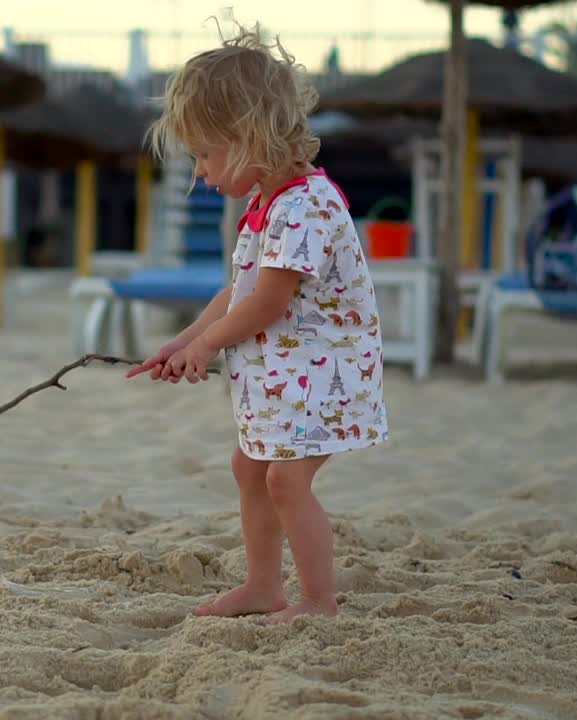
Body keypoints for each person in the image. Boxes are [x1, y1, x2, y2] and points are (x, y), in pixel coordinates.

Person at [127, 20, 389, 622]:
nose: (200, 172)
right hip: (287, 379)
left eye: (206, 154)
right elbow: (236, 292)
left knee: (285, 482)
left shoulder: (304, 205)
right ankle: (263, 588)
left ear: (248, 136)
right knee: (250, 467)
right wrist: (186, 342)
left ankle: (320, 601)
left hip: (325, 383)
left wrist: (209, 348)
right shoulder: (267, 204)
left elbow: (268, 303)